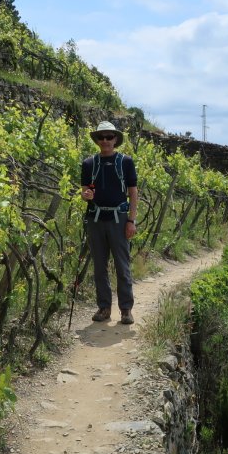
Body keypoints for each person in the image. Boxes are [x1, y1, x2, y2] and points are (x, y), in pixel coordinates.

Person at [80, 121, 138, 324]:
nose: (105, 141)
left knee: (122, 265)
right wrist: (86, 195)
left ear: (115, 140)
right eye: (101, 137)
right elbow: (85, 192)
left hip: (119, 219)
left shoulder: (125, 162)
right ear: (97, 140)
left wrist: (131, 220)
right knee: (99, 266)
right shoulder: (88, 164)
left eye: (109, 137)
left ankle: (126, 310)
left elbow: (132, 193)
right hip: (95, 219)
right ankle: (104, 308)